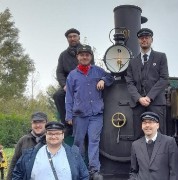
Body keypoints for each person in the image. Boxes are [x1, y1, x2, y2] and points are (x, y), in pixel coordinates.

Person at [65, 45, 114, 179]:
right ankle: (79, 169)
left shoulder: (98, 71)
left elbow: (111, 77)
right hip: (79, 115)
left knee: (94, 141)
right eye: (82, 55)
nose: (84, 57)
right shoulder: (72, 75)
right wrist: (69, 115)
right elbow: (68, 96)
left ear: (91, 57)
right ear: (78, 57)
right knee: (78, 142)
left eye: (87, 55)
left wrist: (103, 80)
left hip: (96, 114)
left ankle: (94, 171)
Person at [125, 28, 169, 139]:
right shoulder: (132, 62)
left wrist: (149, 97)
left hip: (156, 103)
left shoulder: (161, 57)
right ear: (138, 41)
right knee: (138, 136)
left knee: (159, 136)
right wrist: (139, 98)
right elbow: (129, 82)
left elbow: (164, 78)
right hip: (138, 105)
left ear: (151, 40)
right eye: (141, 38)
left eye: (147, 38)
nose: (144, 40)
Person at [12, 121, 89, 180]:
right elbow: (17, 174)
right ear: (46, 135)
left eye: (57, 133)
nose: (53, 136)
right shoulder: (30, 155)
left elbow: (84, 176)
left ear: (62, 135)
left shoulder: (74, 154)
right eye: (50, 133)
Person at [129, 112, 178, 180]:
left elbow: (174, 171)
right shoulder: (135, 145)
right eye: (144, 123)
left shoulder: (169, 142)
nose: (147, 125)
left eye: (150, 122)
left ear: (157, 125)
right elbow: (133, 171)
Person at [53, 28, 83, 135]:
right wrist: (64, 85)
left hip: (84, 83)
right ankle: (67, 125)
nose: (72, 38)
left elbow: (91, 67)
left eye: (74, 36)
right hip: (69, 85)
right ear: (67, 39)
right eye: (70, 37)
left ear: (79, 37)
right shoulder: (63, 55)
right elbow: (59, 72)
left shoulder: (86, 52)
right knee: (58, 95)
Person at [7, 112, 48, 180]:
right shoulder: (23, 140)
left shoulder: (52, 141)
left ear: (46, 123)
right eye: (34, 122)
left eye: (41, 122)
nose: (37, 125)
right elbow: (14, 162)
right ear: (31, 124)